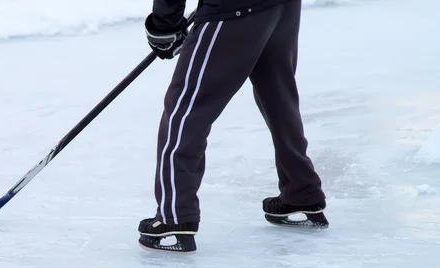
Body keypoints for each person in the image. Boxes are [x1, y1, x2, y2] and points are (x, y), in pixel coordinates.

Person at [137, 0, 329, 253]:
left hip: (234, 9)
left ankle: (174, 217)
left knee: (187, 108)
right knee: (278, 95)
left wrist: (164, 26)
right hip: (282, 7)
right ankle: (302, 192)